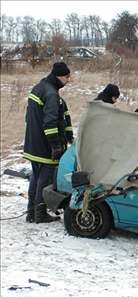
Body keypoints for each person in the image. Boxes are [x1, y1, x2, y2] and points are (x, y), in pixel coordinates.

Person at [23, 62, 73, 223]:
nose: (68, 80)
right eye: (67, 77)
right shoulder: (51, 94)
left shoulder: (39, 87)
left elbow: (28, 118)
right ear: (59, 76)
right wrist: (56, 146)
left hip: (33, 143)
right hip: (44, 147)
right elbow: (50, 123)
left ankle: (31, 212)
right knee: (44, 181)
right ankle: (40, 214)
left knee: (36, 178)